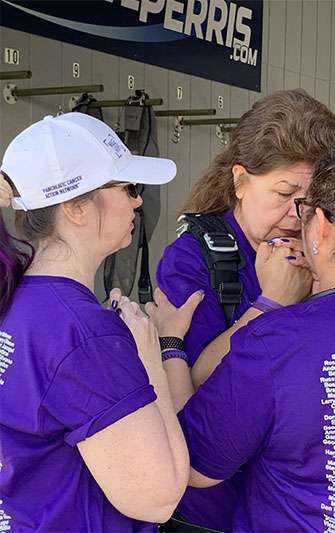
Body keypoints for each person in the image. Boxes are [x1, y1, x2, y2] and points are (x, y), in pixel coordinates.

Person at [129, 136, 335, 532]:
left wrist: (169, 346)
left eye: (303, 210)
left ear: (321, 227)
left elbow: (191, 464)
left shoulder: (279, 342)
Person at [155, 89, 335, 530]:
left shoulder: (326, 251)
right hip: (214, 503)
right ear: (240, 180)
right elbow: (186, 383)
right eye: (283, 193)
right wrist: (271, 305)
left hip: (292, 498)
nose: (295, 214)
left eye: (310, 201)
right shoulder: (194, 258)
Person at [0, 112, 195, 532]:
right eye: (127, 187)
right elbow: (158, 498)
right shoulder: (83, 332)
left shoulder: (14, 299)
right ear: (75, 206)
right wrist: (150, 358)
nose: (138, 200)